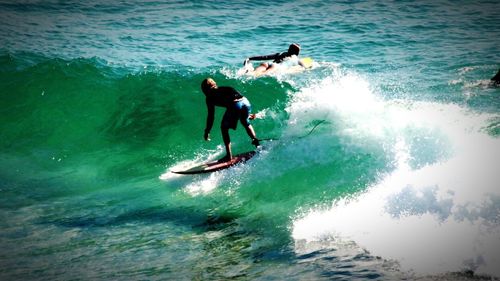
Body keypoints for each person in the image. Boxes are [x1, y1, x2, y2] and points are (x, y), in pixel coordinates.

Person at [201, 78, 260, 161]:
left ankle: (229, 156)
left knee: (224, 128)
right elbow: (238, 98)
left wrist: (207, 131)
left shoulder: (209, 98)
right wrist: (244, 114)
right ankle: (257, 144)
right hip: (246, 102)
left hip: (235, 105)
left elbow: (211, 116)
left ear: (205, 89)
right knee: (245, 122)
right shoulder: (225, 88)